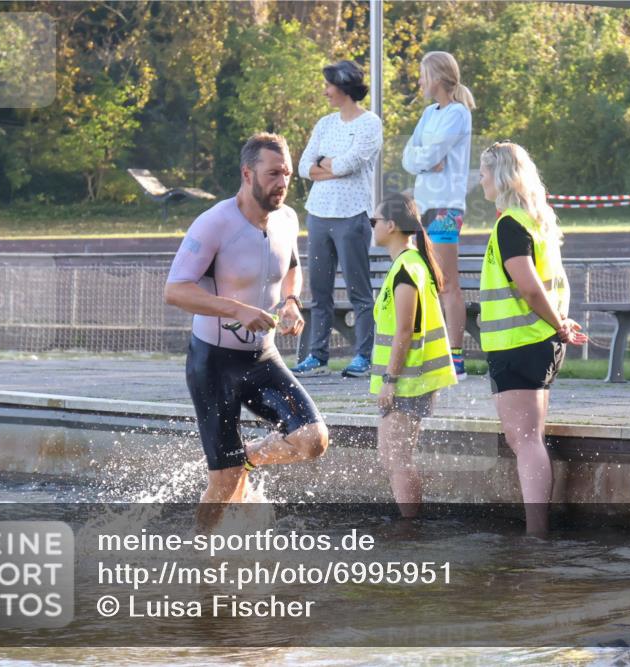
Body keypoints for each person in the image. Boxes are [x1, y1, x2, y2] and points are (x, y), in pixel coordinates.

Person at [165, 133, 329, 533]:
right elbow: (175, 290)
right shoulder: (214, 223)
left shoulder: (287, 219)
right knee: (223, 482)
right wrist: (238, 309)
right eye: (273, 174)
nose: (282, 182)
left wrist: (291, 301)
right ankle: (199, 555)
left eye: (287, 174)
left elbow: (291, 266)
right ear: (246, 173)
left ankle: (250, 456)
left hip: (261, 358)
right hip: (213, 364)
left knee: (313, 440)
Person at [478, 141, 587, 537]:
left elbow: (528, 285)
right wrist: (560, 322)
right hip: (536, 340)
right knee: (527, 438)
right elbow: (549, 283)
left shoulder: (511, 223)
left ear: (502, 176)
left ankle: (536, 534)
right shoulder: (536, 219)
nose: (481, 180)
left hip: (521, 342)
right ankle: (536, 530)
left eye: (484, 172)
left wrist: (558, 323)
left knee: (525, 441)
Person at [293, 60, 384, 379]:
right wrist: (326, 165)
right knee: (319, 291)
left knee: (359, 290)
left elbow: (352, 163)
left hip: (353, 215)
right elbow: (304, 166)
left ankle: (364, 355)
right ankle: (317, 357)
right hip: (318, 215)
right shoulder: (324, 124)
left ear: (343, 86)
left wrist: (324, 165)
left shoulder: (370, 123)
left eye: (328, 85)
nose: (325, 91)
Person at [369, 193, 457, 519]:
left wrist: (389, 381)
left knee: (398, 458)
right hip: (409, 379)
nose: (372, 227)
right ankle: (412, 523)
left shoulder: (407, 267)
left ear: (391, 226)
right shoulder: (411, 263)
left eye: (374, 221)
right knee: (391, 457)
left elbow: (404, 331)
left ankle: (410, 532)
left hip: (408, 379)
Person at [402, 51, 475, 380]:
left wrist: (426, 158)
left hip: (445, 207)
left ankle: (455, 357)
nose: (419, 80)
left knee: (447, 285)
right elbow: (409, 156)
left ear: (437, 77)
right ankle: (431, 353)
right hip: (422, 205)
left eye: (422, 74)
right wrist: (424, 160)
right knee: (426, 282)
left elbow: (432, 154)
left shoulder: (457, 114)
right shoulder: (429, 114)